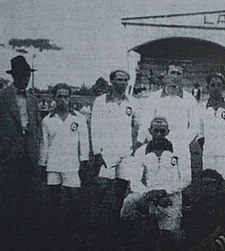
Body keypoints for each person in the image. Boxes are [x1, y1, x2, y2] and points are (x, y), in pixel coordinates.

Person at [136, 60, 197, 208]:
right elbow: (145, 124)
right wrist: (158, 141)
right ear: (166, 75)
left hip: (180, 148)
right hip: (158, 147)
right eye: (172, 73)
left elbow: (194, 127)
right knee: (156, 180)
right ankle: (153, 211)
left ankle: (177, 216)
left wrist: (180, 144)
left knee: (181, 182)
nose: (175, 76)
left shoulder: (189, 99)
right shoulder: (153, 98)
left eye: (179, 74)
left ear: (182, 77)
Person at [90, 69, 139, 247]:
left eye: (126, 80)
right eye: (119, 79)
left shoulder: (132, 102)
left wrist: (135, 144)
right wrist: (97, 152)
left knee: (121, 188)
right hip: (106, 151)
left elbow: (138, 124)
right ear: (112, 81)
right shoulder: (101, 101)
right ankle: (96, 223)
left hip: (126, 151)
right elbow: (94, 127)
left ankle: (115, 222)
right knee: (102, 188)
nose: (123, 83)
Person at [121, 116, 186, 250]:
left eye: (162, 131)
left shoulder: (179, 150)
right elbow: (134, 182)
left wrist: (165, 192)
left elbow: (186, 178)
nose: (158, 135)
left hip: (171, 198)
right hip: (149, 197)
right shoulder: (141, 151)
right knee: (129, 203)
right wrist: (150, 196)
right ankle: (130, 239)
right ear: (150, 131)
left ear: (168, 131)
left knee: (173, 237)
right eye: (155, 131)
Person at [39, 83, 90, 247]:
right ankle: (55, 232)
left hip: (71, 164)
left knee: (74, 199)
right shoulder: (47, 120)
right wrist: (42, 164)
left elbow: (84, 142)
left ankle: (73, 230)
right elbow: (44, 145)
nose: (62, 100)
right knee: (54, 200)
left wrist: (83, 160)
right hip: (53, 165)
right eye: (59, 96)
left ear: (70, 98)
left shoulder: (78, 118)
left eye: (65, 96)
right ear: (53, 98)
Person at [0, 55, 43, 249]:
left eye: (27, 75)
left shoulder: (33, 100)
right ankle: (8, 236)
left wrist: (36, 149)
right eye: (22, 75)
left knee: (29, 197)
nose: (25, 79)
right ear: (14, 76)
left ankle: (26, 236)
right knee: (9, 197)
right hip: (8, 157)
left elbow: (37, 128)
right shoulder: (2, 97)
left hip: (29, 156)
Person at [197, 73, 225, 193]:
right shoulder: (201, 108)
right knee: (210, 190)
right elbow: (201, 136)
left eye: (219, 85)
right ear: (208, 88)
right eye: (213, 85)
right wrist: (211, 148)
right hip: (209, 156)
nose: (216, 88)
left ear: (223, 87)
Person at [184, 169, 225, 251]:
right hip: (204, 241)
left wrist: (205, 244)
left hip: (221, 239)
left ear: (218, 185)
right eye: (206, 184)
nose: (209, 188)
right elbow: (194, 229)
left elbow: (223, 226)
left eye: (212, 184)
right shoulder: (199, 205)